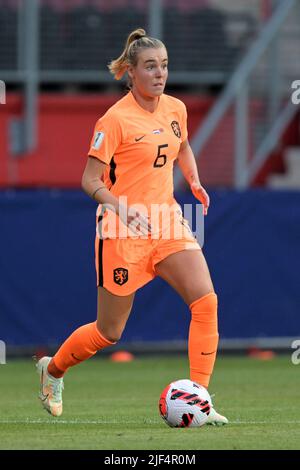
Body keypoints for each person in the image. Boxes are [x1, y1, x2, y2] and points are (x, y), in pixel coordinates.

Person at [36, 28, 228, 425]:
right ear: (130, 72)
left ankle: (200, 400)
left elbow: (183, 146)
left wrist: (193, 180)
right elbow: (90, 181)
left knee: (205, 302)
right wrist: (119, 208)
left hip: (167, 221)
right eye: (150, 66)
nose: (160, 74)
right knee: (109, 332)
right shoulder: (115, 120)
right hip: (121, 231)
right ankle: (53, 370)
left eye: (164, 66)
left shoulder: (175, 108)